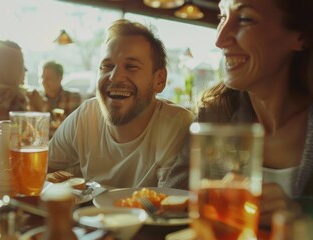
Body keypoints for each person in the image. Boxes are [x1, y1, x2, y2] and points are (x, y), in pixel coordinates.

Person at [164, 0, 313, 227]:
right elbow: (173, 195)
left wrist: (301, 212)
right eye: (222, 17)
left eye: (244, 19)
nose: (219, 39)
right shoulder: (214, 114)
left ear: (299, 37)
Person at [48, 19, 193, 188]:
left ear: (159, 80)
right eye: (107, 66)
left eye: (131, 66)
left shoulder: (176, 124)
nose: (114, 77)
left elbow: (167, 206)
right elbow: (42, 170)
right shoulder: (86, 116)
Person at [29, 61, 82, 138]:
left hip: (64, 145)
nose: (43, 81)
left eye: (48, 78)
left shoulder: (73, 97)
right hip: (42, 145)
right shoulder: (36, 98)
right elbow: (32, 129)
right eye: (42, 77)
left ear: (59, 78)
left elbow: (75, 130)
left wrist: (65, 123)